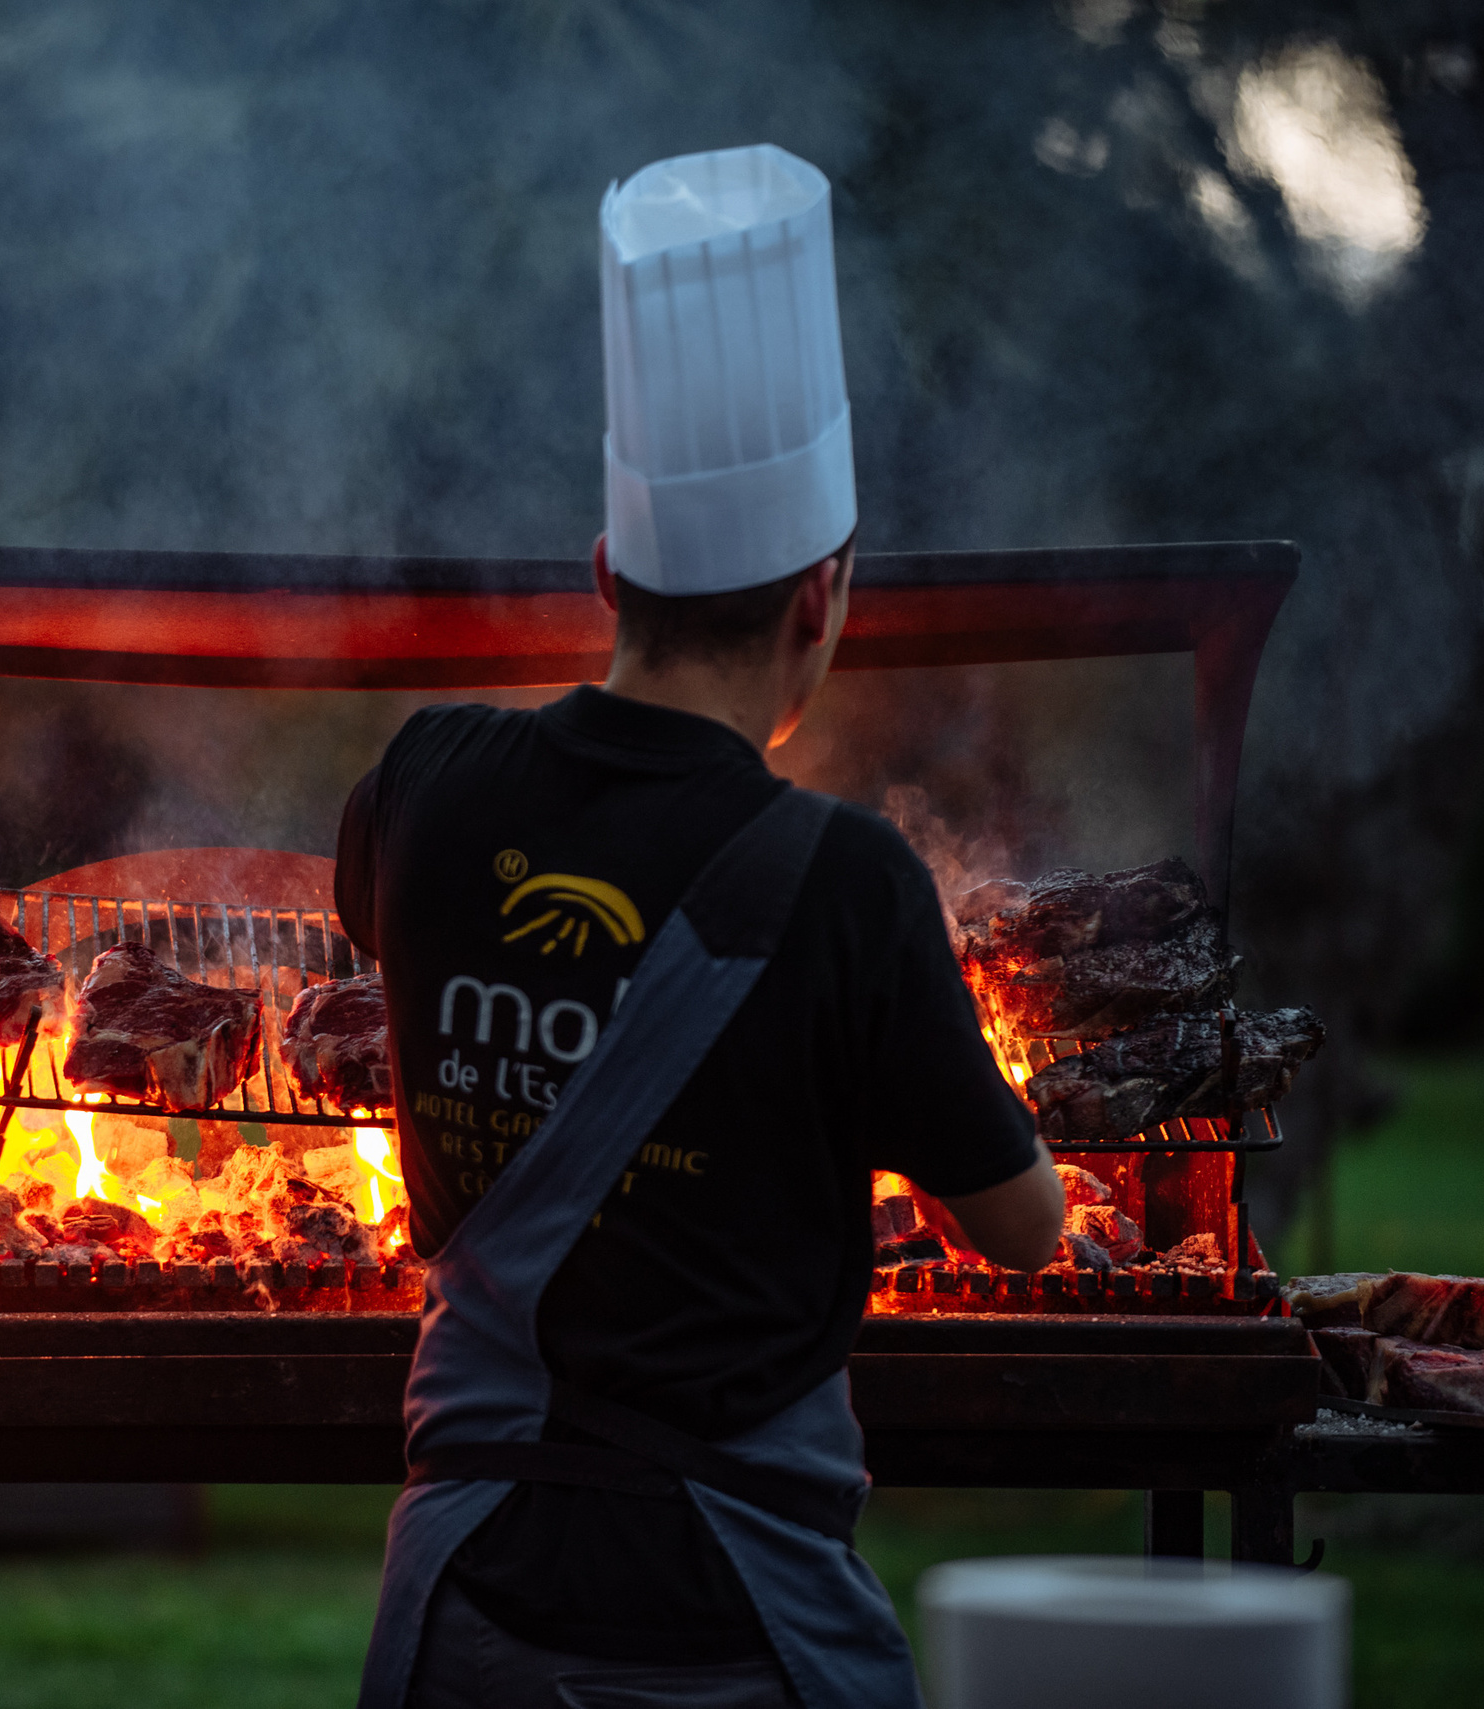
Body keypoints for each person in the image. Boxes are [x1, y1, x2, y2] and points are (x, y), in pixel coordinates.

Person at [339, 143, 1064, 1709]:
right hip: (740, 1621)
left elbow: (379, 933)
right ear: (824, 598)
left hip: (472, 1591)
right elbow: (1026, 1228)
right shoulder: (849, 879)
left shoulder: (425, 785)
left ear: (608, 568)